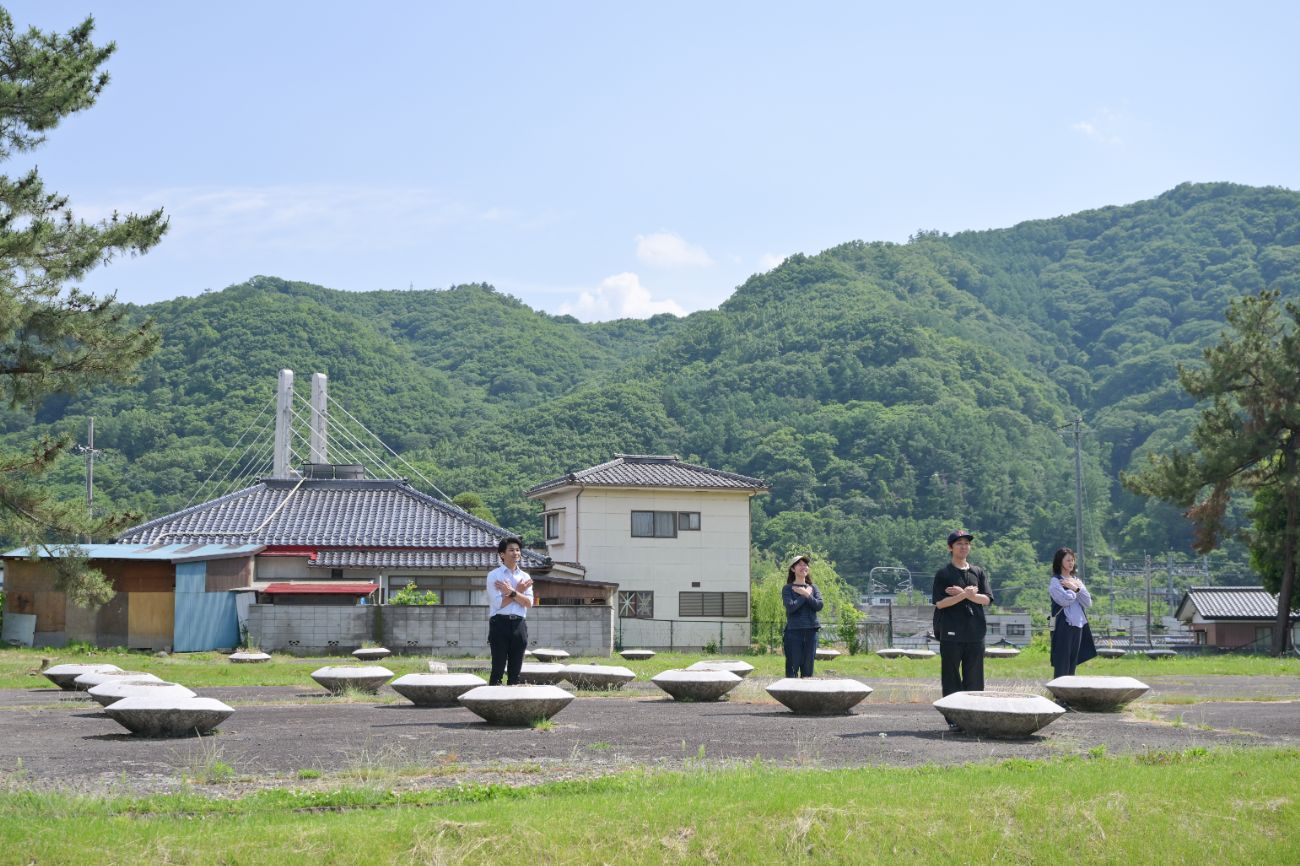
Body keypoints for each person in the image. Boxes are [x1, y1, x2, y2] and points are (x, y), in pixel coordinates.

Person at [932, 529, 994, 705]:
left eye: (967, 543)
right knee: (951, 678)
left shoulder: (978, 572)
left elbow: (987, 599)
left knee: (974, 679)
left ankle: (973, 714)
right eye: (959, 543)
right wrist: (963, 595)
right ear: (950, 548)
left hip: (975, 633)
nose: (964, 547)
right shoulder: (943, 574)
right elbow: (940, 603)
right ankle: (953, 717)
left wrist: (967, 595)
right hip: (951, 633)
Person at [486, 536, 534, 686]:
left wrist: (512, 592)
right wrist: (519, 593)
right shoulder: (494, 575)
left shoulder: (525, 576)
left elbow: (529, 603)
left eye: (518, 550)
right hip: (499, 623)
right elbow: (498, 603)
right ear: (502, 554)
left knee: (515, 672)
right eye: (511, 550)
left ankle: (513, 704)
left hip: (519, 624)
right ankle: (493, 704)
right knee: (498, 669)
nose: (516, 553)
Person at [1048, 547, 1096, 678]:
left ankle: (1069, 693)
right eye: (1068, 560)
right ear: (1060, 562)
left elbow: (1088, 602)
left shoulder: (1076, 581)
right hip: (1063, 624)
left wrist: (1075, 588)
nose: (1071, 563)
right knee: (1062, 660)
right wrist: (1074, 591)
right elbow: (1064, 600)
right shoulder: (1055, 581)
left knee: (1073, 661)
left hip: (1079, 625)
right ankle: (1058, 694)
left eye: (1072, 560)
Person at [782, 553, 824, 678]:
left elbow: (819, 606)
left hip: (811, 631)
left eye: (805, 564)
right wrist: (803, 595)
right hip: (794, 632)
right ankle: (790, 695)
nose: (803, 567)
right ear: (793, 569)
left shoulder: (813, 588)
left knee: (808, 668)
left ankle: (806, 695)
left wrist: (806, 594)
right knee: (792, 667)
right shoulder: (788, 589)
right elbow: (791, 608)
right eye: (799, 564)